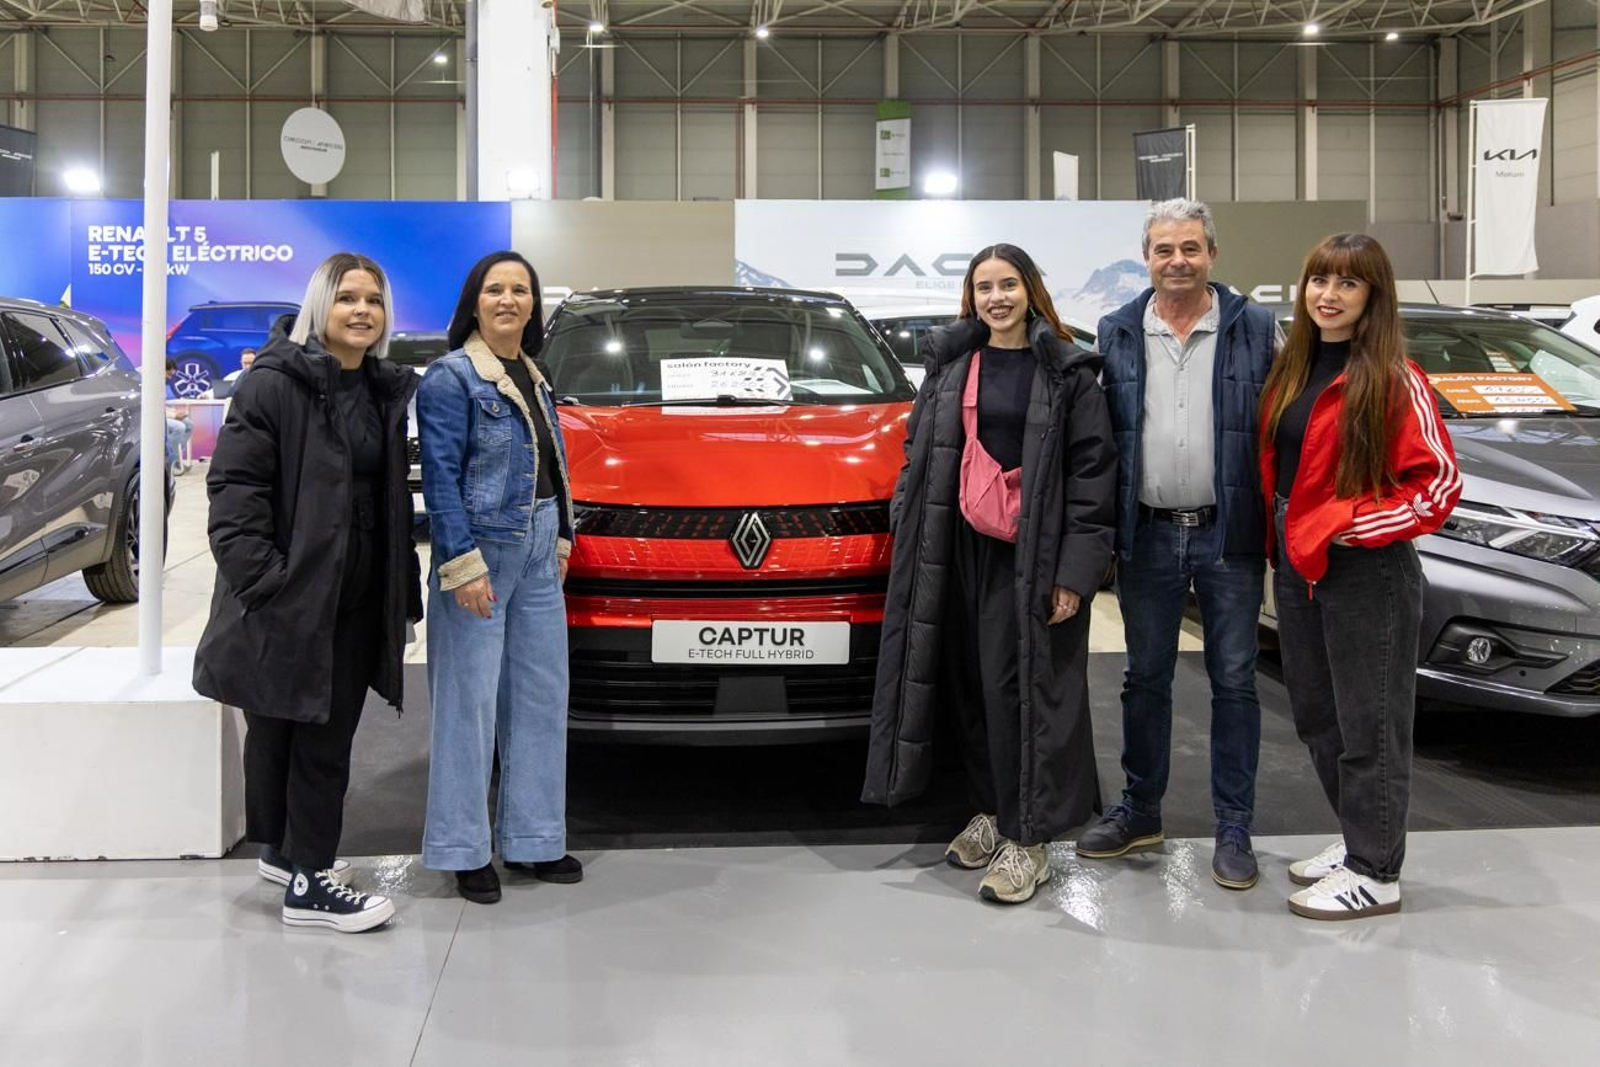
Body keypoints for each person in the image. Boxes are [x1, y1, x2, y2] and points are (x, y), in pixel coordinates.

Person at [862, 243, 1116, 906]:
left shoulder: (1067, 372)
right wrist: (905, 518)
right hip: (956, 549)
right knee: (968, 684)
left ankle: (1029, 839)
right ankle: (992, 811)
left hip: (1030, 556)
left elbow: (1092, 478)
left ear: (1031, 290)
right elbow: (919, 450)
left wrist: (1074, 573)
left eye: (1008, 284)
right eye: (983, 287)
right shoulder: (952, 364)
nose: (996, 297)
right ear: (970, 297)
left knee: (1022, 692)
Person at [193, 252, 422, 934]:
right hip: (290, 594)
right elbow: (234, 494)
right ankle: (313, 883)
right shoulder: (272, 385)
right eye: (348, 296)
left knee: (318, 733)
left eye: (373, 300)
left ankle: (291, 853)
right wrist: (268, 583)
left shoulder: (380, 388)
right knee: (289, 730)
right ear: (320, 306)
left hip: (352, 595)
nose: (362, 310)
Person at [1077, 198, 1280, 891]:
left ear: (1212, 255)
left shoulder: (1255, 327)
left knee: (1233, 682)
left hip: (1230, 535)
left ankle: (1234, 826)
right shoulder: (1119, 329)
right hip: (1149, 535)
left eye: (1190, 248)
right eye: (1164, 249)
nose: (1177, 261)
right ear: (1147, 256)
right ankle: (1141, 809)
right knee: (1144, 678)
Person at [1260, 233, 1459, 919]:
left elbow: (1436, 485)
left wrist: (1354, 527)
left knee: (1370, 725)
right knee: (1320, 717)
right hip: (1299, 564)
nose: (1328, 295)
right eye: (1319, 279)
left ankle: (1377, 871)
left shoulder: (1394, 377)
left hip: (1365, 572)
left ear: (1373, 296)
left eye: (1347, 283)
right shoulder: (1295, 367)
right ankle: (1359, 840)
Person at [418, 250, 581, 905]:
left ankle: (536, 839)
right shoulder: (451, 378)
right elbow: (441, 479)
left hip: (540, 550)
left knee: (541, 701)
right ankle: (463, 850)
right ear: (475, 302)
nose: (509, 299)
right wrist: (461, 564)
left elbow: (555, 462)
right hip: (481, 554)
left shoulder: (534, 374)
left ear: (534, 303)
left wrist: (564, 533)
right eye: (496, 289)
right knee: (468, 706)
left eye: (521, 289)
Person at [164, 358, 194, 471]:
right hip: (150, 418)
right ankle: (171, 463)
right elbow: (152, 407)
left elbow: (162, 406)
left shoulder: (162, 383)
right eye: (168, 374)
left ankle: (178, 459)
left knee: (189, 424)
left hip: (163, 415)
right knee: (179, 427)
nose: (169, 378)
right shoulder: (147, 381)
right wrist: (173, 416)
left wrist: (175, 413)